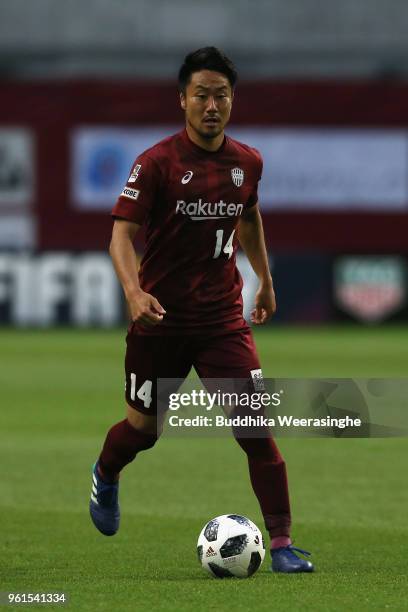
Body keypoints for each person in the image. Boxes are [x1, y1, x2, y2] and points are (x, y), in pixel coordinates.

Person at [89, 46, 314, 574]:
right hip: (160, 322)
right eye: (201, 95)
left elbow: (250, 219)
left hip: (220, 323)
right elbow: (120, 236)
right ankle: (106, 471)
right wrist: (133, 292)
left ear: (232, 100)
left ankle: (280, 544)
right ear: (182, 100)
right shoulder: (156, 163)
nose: (211, 105)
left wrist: (264, 281)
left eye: (221, 95)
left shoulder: (247, 162)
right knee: (143, 431)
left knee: (256, 429)